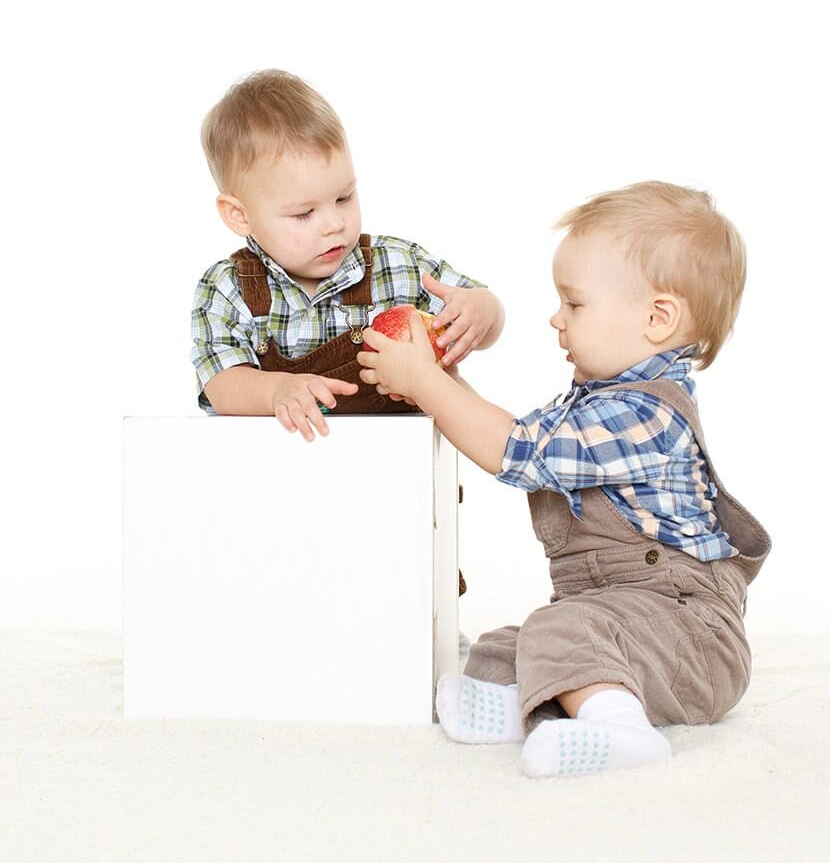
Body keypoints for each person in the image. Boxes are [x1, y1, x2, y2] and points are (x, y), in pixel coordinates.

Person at [357, 181, 771, 778]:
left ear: (657, 318)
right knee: (512, 639)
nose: (556, 318)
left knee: (564, 627)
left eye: (574, 304)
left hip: (692, 643)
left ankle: (620, 730)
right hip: (625, 618)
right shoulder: (593, 402)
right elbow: (514, 434)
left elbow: (514, 452)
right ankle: (512, 710)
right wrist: (441, 380)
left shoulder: (647, 413)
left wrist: (428, 385)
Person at [190, 69, 505, 441]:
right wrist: (275, 391)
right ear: (240, 215)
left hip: (397, 469)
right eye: (304, 213)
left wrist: (481, 313)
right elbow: (221, 383)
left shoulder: (398, 265)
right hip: (278, 473)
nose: (334, 224)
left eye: (344, 197)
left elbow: (485, 318)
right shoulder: (227, 289)